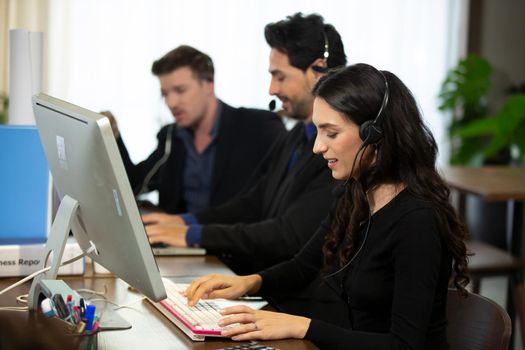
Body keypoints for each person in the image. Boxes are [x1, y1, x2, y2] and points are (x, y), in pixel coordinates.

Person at [183, 64, 470, 349]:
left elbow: (405, 345)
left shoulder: (418, 220)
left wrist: (303, 326)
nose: (317, 147)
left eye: (330, 133)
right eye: (317, 132)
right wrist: (249, 283)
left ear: (375, 134)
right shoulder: (354, 195)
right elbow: (304, 266)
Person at [143, 12, 348, 326]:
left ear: (318, 71)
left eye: (280, 76)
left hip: (302, 310)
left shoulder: (335, 153)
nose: (271, 89)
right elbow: (253, 203)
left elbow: (287, 236)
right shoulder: (296, 137)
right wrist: (183, 222)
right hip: (273, 293)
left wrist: (193, 233)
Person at [102, 45, 285, 214]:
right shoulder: (171, 137)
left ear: (208, 85)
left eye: (180, 90)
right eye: (165, 94)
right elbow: (134, 185)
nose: (171, 103)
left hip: (233, 244)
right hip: (180, 246)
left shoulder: (257, 128)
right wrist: (113, 137)